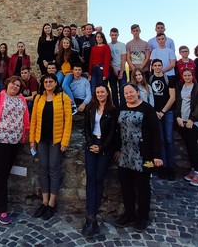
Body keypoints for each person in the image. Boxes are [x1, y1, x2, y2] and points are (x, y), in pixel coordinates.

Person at [113, 84, 163, 232]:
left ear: (137, 92)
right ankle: (129, 214)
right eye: (126, 93)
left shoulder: (147, 109)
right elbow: (117, 131)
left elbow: (156, 132)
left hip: (146, 156)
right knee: (126, 186)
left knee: (143, 186)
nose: (129, 95)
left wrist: (157, 155)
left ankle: (143, 216)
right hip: (125, 154)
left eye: (131, 92)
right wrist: (117, 148)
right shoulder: (121, 108)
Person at [0, 76, 31, 225]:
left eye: (18, 85)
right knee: (0, 175)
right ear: (7, 84)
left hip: (14, 141)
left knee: (3, 173)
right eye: (13, 84)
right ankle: (1, 210)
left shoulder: (21, 99)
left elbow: (25, 118)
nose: (15, 87)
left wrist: (25, 134)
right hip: (0, 140)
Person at [30, 73, 73, 220]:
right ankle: (44, 201)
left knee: (54, 169)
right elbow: (34, 120)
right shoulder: (38, 98)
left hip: (56, 140)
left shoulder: (63, 98)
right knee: (43, 169)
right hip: (41, 139)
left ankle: (52, 203)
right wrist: (32, 140)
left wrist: (65, 142)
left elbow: (68, 121)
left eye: (51, 81)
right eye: (46, 82)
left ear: (56, 83)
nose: (48, 84)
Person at [82, 85, 118, 238]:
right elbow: (86, 128)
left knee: (98, 178)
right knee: (90, 178)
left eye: (102, 91)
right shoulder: (90, 108)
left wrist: (102, 147)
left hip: (105, 146)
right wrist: (91, 144)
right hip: (92, 145)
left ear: (107, 93)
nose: (100, 94)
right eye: (98, 92)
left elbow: (113, 132)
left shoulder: (113, 110)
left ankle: (92, 214)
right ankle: (91, 216)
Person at [174, 69, 198, 186]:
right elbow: (177, 103)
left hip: (193, 122)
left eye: (189, 75)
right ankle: (193, 169)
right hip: (182, 121)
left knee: (193, 147)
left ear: (192, 76)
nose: (187, 77)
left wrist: (192, 118)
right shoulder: (180, 87)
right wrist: (177, 117)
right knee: (188, 147)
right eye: (185, 75)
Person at [148, 59, 176, 180]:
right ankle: (162, 166)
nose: (157, 67)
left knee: (169, 139)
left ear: (162, 66)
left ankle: (171, 166)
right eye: (155, 65)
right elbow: (148, 97)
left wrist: (163, 111)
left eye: (159, 65)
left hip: (167, 112)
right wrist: (155, 112)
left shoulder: (168, 79)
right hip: (155, 113)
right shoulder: (150, 79)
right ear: (152, 67)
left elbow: (172, 97)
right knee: (160, 140)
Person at [108, 27, 127, 108]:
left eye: (115, 35)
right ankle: (116, 109)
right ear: (110, 35)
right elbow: (108, 59)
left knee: (123, 91)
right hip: (112, 71)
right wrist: (113, 69)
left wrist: (121, 72)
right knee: (114, 91)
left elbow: (124, 59)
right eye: (112, 35)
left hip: (121, 70)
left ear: (118, 35)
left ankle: (123, 108)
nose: (114, 37)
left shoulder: (122, 45)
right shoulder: (108, 45)